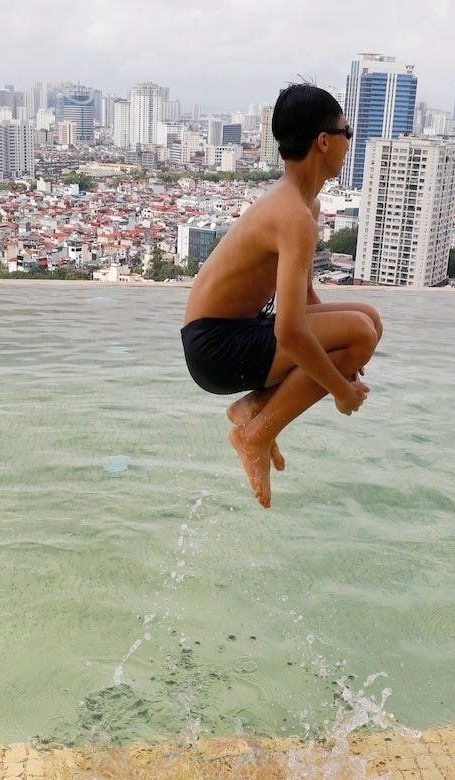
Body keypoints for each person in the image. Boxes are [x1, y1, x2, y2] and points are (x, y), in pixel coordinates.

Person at [180, 83, 382, 508]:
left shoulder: (304, 208)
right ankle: (256, 435)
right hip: (216, 349)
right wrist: (340, 389)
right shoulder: (293, 216)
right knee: (360, 333)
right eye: (347, 133)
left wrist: (342, 354)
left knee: (368, 321)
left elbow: (304, 301)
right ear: (324, 141)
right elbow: (290, 331)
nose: (349, 143)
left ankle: (253, 409)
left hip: (231, 333)